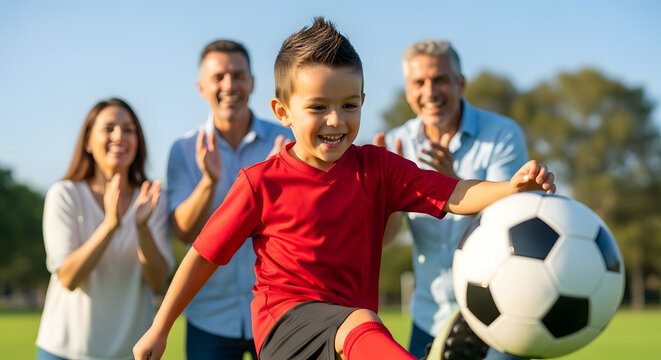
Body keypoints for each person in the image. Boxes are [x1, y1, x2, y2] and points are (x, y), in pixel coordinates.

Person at [133, 17, 555, 360]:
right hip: (285, 329)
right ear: (283, 112)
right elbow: (202, 257)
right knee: (360, 323)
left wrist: (510, 188)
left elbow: (455, 193)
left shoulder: (378, 168)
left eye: (349, 105)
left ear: (362, 102)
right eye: (318, 107)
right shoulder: (260, 183)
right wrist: (160, 328)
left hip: (352, 343)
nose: (336, 120)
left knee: (359, 323)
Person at [374, 40, 529, 359]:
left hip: (500, 314)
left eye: (440, 79)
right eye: (419, 82)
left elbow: (513, 221)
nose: (430, 91)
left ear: (461, 83)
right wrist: (393, 201)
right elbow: (385, 238)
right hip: (429, 319)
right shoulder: (394, 143)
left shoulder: (501, 134)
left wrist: (452, 184)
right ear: (408, 90)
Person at [166, 40, 292, 359]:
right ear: (201, 87)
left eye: (238, 75)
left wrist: (277, 183)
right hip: (209, 317)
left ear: (252, 83)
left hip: (279, 311)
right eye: (219, 77)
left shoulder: (288, 139)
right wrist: (208, 182)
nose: (229, 85)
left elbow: (302, 226)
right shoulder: (182, 149)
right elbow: (182, 230)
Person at [36, 98, 174, 360]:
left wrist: (142, 227)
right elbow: (68, 278)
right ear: (88, 142)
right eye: (108, 128)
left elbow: (157, 281)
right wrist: (110, 223)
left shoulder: (153, 197)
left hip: (131, 352)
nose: (119, 136)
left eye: (129, 129)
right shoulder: (64, 195)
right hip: (63, 351)